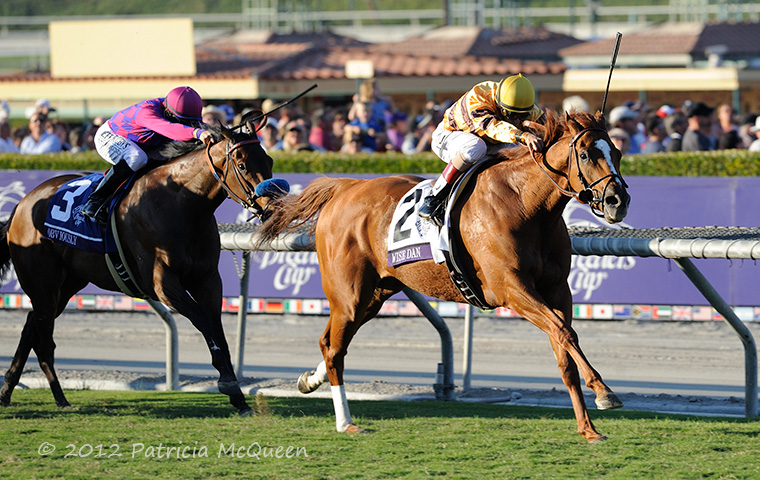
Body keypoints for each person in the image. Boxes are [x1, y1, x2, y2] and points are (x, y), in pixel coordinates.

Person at [418, 73, 544, 224]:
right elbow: (493, 128)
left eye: (521, 116)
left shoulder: (525, 107)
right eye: (510, 114)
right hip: (448, 136)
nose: (515, 120)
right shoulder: (479, 96)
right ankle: (434, 197)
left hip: (488, 143)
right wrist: (523, 135)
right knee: (476, 147)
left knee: (518, 148)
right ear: (498, 103)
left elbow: (548, 126)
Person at [81, 86, 213, 223]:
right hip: (111, 136)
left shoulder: (178, 109)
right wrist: (196, 133)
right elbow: (170, 129)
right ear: (168, 112)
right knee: (136, 158)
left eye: (189, 122)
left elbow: (198, 127)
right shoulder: (147, 111)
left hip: (143, 143)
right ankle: (95, 200)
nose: (187, 125)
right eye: (182, 121)